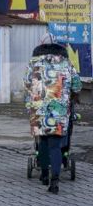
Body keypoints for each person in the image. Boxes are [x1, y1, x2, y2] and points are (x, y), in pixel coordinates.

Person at [24, 33, 82, 194]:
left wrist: (31, 102)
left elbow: (27, 84)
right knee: (55, 145)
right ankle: (55, 180)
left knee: (42, 141)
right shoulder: (66, 63)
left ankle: (44, 175)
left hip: (39, 108)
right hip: (59, 110)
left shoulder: (33, 63)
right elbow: (77, 85)